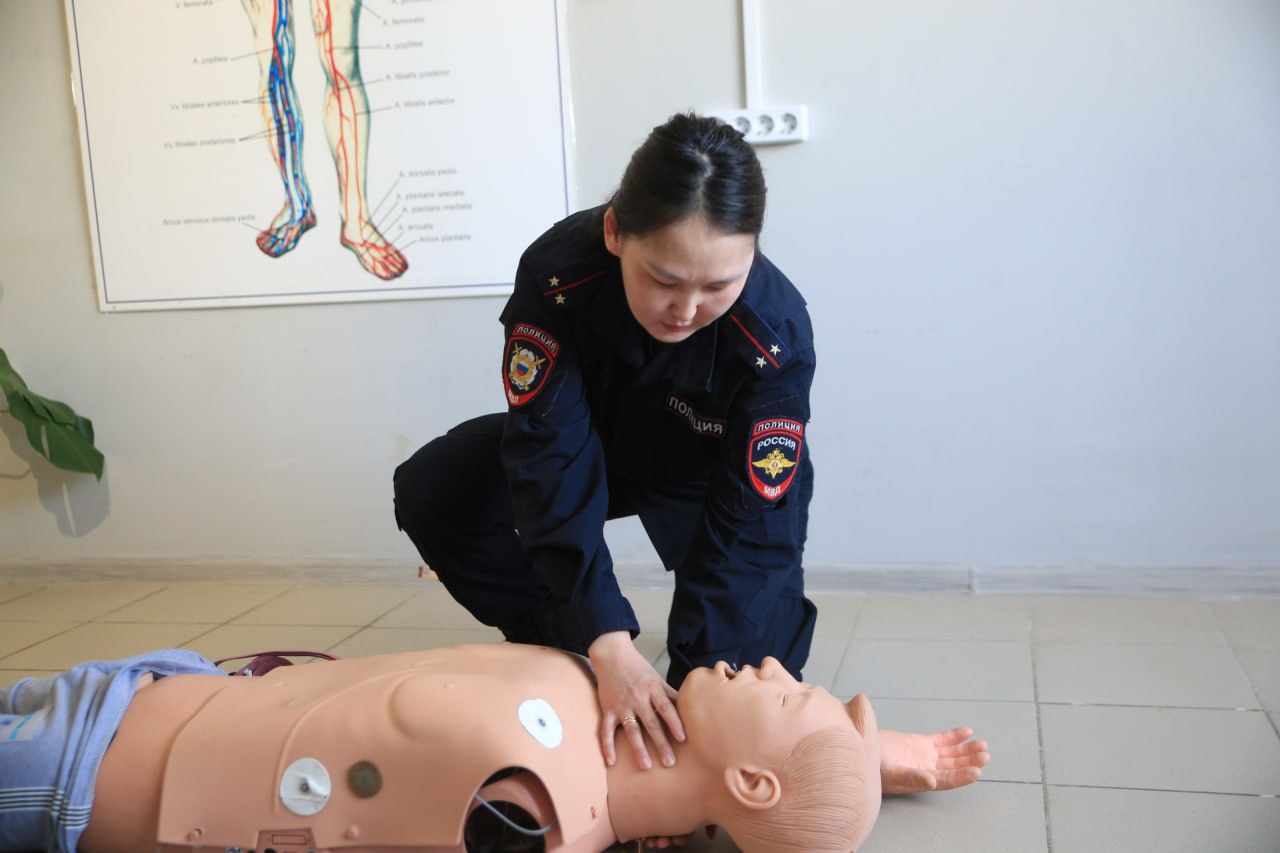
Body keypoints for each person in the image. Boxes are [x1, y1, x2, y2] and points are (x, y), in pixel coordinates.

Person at [393, 112, 819, 773]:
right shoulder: (560, 275)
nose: (686, 310)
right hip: (595, 448)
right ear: (616, 232)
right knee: (436, 486)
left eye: (718, 286)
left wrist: (704, 681)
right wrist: (605, 640)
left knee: (730, 700)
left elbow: (748, 528)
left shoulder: (774, 331)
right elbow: (549, 452)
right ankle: (566, 652)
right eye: (664, 280)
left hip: (713, 474)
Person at [0, 644, 989, 853]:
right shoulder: (610, 715)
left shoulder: (523, 819)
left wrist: (834, 779)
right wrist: (856, 765)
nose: (772, 661)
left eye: (791, 694)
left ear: (752, 779)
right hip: (145, 684)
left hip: (69, 774)